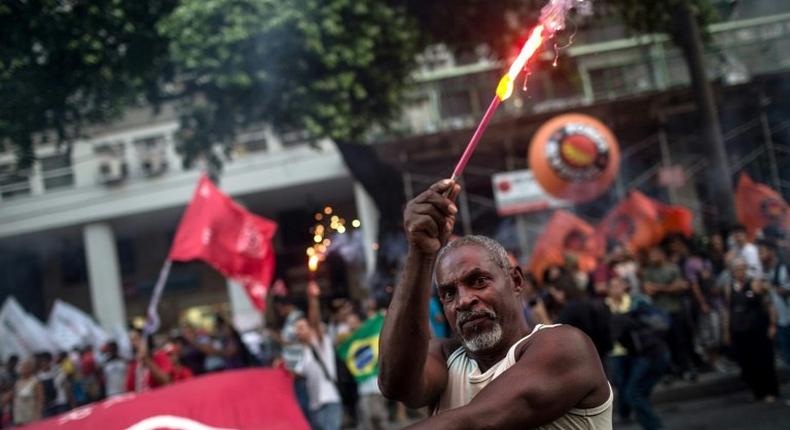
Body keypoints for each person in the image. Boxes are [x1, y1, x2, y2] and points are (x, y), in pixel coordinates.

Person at [379, 179, 612, 429]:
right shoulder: (444, 360)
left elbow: (476, 422)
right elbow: (395, 384)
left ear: (516, 281)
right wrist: (420, 252)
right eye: (448, 293)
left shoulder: (566, 346)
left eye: (478, 281)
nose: (464, 300)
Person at [724, 258, 779, 402]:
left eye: (742, 268)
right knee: (747, 362)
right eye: (737, 269)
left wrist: (772, 324)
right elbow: (728, 310)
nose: (740, 272)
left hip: (758, 329)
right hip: (740, 330)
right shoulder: (730, 287)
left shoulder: (754, 284)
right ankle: (757, 390)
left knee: (764, 359)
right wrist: (727, 331)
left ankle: (770, 391)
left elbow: (768, 304)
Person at [294, 281, 342, 430]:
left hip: (330, 401)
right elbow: (297, 375)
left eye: (302, 327)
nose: (299, 331)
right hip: (315, 407)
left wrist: (313, 300)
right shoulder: (302, 353)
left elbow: (315, 321)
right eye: (297, 329)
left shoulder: (321, 344)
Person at [642, 246, 694, 380]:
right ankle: (669, 372)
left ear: (662, 254)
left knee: (680, 341)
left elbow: (680, 287)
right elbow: (648, 290)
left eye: (654, 254)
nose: (652, 257)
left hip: (675, 310)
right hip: (658, 314)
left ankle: (686, 369)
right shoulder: (648, 272)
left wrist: (659, 288)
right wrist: (669, 287)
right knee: (664, 344)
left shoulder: (672, 268)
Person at [759, 239, 790, 366]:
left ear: (771, 252)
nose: (759, 256)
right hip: (781, 321)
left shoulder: (783, 267)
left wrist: (770, 287)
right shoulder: (766, 271)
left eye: (762, 252)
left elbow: (785, 290)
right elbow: (771, 300)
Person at [125, 328, 173, 393]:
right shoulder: (134, 363)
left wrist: (146, 359)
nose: (133, 344)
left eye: (136, 339)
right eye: (131, 341)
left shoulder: (159, 356)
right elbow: (129, 388)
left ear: (145, 340)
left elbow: (166, 381)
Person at [37, 352, 71, 417]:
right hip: (48, 406)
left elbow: (66, 387)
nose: (43, 364)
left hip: (61, 403)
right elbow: (40, 394)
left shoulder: (59, 370)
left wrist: (72, 403)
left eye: (45, 361)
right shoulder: (39, 376)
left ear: (50, 361)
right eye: (41, 362)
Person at [12, 357, 43, 426]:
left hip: (31, 414)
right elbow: (16, 398)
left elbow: (40, 400)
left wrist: (37, 415)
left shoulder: (35, 382)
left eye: (25, 367)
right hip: (19, 415)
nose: (23, 370)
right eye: (22, 367)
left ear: (30, 369)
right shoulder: (18, 382)